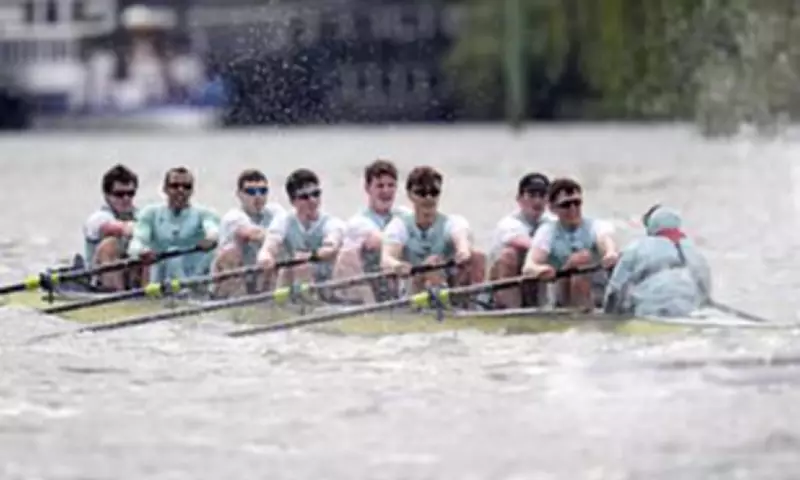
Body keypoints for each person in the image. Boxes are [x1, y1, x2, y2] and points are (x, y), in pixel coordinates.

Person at [381, 166, 486, 295]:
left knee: (478, 257)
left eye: (434, 192)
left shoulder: (452, 222)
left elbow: (461, 240)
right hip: (412, 287)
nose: (428, 198)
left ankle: (472, 307)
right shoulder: (399, 226)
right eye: (421, 193)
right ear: (410, 195)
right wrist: (397, 265)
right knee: (431, 265)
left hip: (449, 281)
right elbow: (386, 259)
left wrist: (463, 252)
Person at [522, 177, 618, 309]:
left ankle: (585, 312)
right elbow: (529, 266)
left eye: (577, 203)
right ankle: (579, 314)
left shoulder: (597, 226)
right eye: (566, 205)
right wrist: (539, 269)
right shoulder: (547, 232)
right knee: (580, 259)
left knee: (582, 258)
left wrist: (610, 253)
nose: (573, 209)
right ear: (552, 208)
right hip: (562, 292)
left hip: (598, 292)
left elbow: (606, 242)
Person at [603, 205, 712, 317]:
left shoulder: (635, 248)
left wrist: (609, 318)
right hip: (688, 311)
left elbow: (614, 290)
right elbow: (705, 292)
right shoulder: (695, 252)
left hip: (649, 310)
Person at [332, 159, 411, 302]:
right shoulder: (357, 222)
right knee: (348, 254)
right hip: (370, 281)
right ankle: (367, 305)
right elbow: (380, 240)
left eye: (391, 185)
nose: (386, 191)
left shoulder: (405, 215)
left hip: (398, 274)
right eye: (380, 186)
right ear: (368, 188)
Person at [127, 166, 220, 284]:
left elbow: (214, 231)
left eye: (186, 187)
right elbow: (137, 241)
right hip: (159, 278)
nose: (180, 190)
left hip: (195, 278)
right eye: (175, 186)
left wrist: (211, 239)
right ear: (165, 189)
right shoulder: (150, 213)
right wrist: (142, 251)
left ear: (192, 191)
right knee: (171, 256)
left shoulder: (205, 214)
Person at [256, 168, 345, 287]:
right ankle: (284, 302)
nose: (312, 200)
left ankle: (310, 300)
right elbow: (269, 245)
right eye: (304, 197)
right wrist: (265, 258)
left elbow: (331, 248)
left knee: (302, 265)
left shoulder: (332, 223)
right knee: (286, 270)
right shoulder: (284, 221)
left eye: (316, 194)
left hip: (326, 280)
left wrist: (309, 256)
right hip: (293, 276)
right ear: (293, 201)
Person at [212, 169, 287, 297]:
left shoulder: (276, 211)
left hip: (260, 274)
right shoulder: (233, 217)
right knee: (231, 253)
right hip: (234, 278)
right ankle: (233, 300)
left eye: (263, 191)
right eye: (251, 192)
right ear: (239, 194)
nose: (258, 196)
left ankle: (271, 299)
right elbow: (255, 234)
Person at [488, 172, 555, 308]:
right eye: (531, 195)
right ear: (519, 199)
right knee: (510, 255)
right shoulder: (508, 224)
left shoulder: (553, 222)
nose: (537, 201)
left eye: (542, 195)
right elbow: (527, 244)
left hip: (535, 286)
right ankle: (510, 310)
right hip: (501, 288)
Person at [82, 164, 141, 291]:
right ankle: (117, 293)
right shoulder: (98, 218)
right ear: (107, 195)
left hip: (131, 277)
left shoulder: (139, 215)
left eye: (130, 194)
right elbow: (118, 228)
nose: (126, 199)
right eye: (119, 194)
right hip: (98, 283)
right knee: (111, 243)